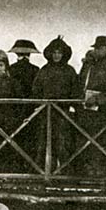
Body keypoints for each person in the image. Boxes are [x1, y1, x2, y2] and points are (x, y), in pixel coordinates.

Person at [77, 36, 106, 178]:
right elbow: (80, 84)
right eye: (96, 48)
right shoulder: (88, 67)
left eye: (101, 48)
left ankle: (100, 172)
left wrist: (98, 99)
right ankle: (86, 171)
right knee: (84, 140)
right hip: (84, 112)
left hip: (101, 113)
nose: (98, 51)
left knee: (101, 141)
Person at [31, 36, 78, 174]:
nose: (56, 55)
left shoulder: (69, 71)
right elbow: (36, 89)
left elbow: (75, 90)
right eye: (54, 52)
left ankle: (65, 172)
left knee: (63, 143)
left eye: (59, 53)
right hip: (46, 112)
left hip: (63, 112)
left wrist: (70, 105)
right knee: (44, 142)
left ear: (64, 54)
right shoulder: (44, 70)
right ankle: (44, 171)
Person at [7, 40, 41, 173]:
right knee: (30, 137)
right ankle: (30, 167)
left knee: (15, 136)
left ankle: (16, 166)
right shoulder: (36, 69)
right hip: (30, 108)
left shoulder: (11, 69)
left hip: (14, 108)